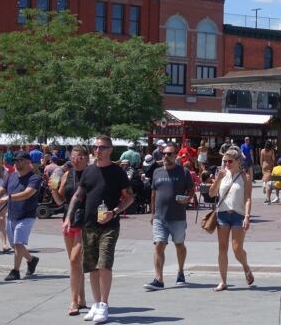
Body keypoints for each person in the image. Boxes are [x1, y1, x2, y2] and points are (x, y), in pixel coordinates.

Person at [64, 135, 134, 323]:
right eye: (95, 147)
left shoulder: (117, 172)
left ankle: (104, 304)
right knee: (92, 267)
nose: (97, 150)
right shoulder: (89, 171)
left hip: (109, 225)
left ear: (110, 150)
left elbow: (129, 197)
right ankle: (95, 305)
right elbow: (78, 196)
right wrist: (69, 217)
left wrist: (115, 211)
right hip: (89, 225)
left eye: (102, 147)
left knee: (104, 264)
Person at [143, 142, 195, 291]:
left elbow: (191, 190)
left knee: (179, 244)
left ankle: (180, 272)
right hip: (160, 217)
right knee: (159, 244)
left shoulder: (183, 172)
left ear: (175, 155)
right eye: (164, 154)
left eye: (169, 154)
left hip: (178, 216)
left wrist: (187, 199)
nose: (166, 156)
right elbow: (153, 193)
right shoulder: (157, 172)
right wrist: (152, 213)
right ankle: (158, 279)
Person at [0, 151, 41, 281]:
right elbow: (2, 189)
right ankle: (31, 260)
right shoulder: (12, 176)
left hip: (27, 215)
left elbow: (27, 193)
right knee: (17, 245)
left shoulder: (34, 178)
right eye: (15, 160)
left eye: (20, 160)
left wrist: (9, 197)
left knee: (18, 242)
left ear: (28, 162)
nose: (17, 163)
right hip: (13, 215)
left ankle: (15, 271)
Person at [48, 145, 88, 315]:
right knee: (75, 263)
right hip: (68, 220)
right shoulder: (67, 174)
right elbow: (59, 201)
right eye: (73, 156)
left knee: (74, 260)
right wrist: (52, 188)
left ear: (86, 158)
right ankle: (82, 298)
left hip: (85, 221)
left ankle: (73, 301)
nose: (75, 160)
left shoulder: (91, 174)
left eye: (79, 157)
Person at [209, 148, 254, 292]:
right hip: (222, 214)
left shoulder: (245, 177)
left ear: (238, 161)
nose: (226, 164)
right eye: (225, 161)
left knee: (237, 249)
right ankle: (223, 281)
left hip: (238, 215)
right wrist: (218, 179)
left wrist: (247, 216)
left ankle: (246, 267)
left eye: (230, 161)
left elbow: (247, 198)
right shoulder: (222, 174)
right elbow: (211, 193)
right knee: (222, 248)